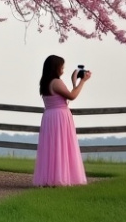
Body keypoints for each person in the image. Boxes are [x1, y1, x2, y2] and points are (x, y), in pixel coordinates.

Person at [33, 54, 90, 187]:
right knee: (61, 146)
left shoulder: (45, 82)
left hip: (49, 116)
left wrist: (74, 82)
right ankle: (59, 178)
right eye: (62, 67)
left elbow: (64, 97)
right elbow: (72, 96)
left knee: (52, 147)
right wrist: (83, 81)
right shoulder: (56, 82)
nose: (63, 70)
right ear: (56, 68)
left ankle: (51, 178)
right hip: (59, 116)